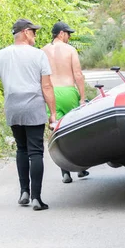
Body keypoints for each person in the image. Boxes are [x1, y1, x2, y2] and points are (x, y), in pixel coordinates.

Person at [0, 18, 57, 211]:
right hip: (33, 106)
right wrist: (53, 113)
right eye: (34, 32)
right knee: (35, 151)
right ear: (26, 32)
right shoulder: (38, 55)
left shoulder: (1, 55)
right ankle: (36, 197)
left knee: (21, 149)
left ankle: (24, 192)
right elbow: (46, 86)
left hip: (13, 107)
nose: (35, 36)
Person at [42, 21, 89, 184]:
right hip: (68, 91)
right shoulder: (70, 50)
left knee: (57, 132)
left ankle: (65, 172)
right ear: (61, 33)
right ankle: (81, 167)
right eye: (68, 34)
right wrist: (82, 98)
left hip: (51, 93)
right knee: (75, 130)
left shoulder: (43, 51)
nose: (69, 37)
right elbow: (77, 74)